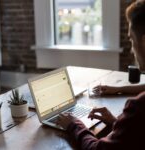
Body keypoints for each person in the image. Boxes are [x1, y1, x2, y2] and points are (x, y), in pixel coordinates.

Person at [57, 1, 145, 150]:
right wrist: (117, 122)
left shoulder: (138, 107)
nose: (131, 50)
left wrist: (74, 124)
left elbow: (96, 149)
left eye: (131, 39)